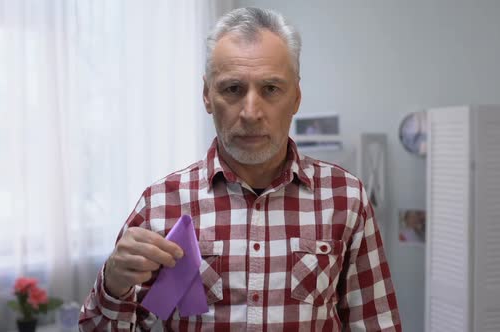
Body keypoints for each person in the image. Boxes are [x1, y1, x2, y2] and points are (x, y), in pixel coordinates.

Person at [79, 7, 401, 331]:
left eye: (271, 89)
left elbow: (377, 324)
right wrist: (112, 285)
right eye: (232, 89)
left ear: (296, 98)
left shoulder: (346, 197)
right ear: (207, 95)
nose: (250, 112)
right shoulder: (160, 205)